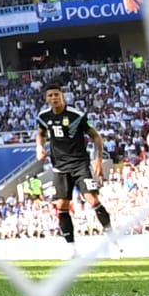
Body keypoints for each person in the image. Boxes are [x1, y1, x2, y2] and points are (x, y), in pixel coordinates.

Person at [35, 83, 110, 254]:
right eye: (50, 95)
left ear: (63, 96)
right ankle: (71, 248)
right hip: (60, 167)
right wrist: (39, 147)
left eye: (57, 94)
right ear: (47, 98)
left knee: (92, 200)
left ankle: (112, 239)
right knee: (61, 205)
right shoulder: (43, 117)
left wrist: (98, 159)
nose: (54, 98)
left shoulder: (77, 116)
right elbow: (40, 133)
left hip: (79, 164)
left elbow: (96, 137)